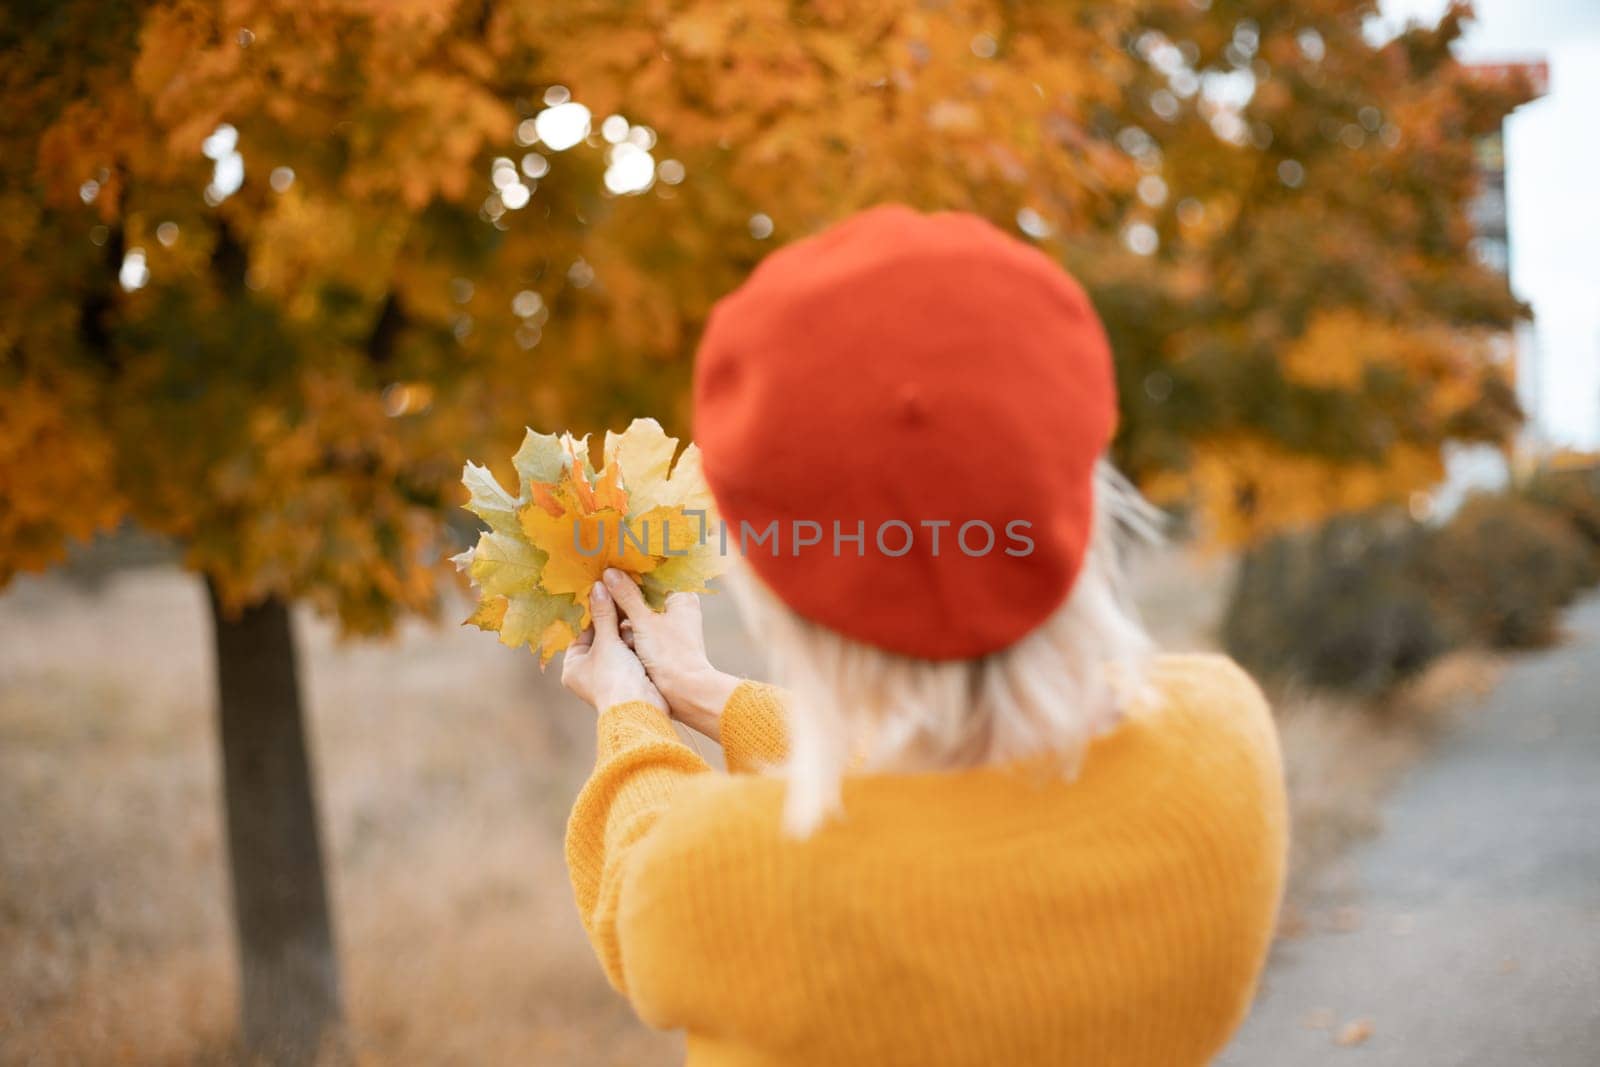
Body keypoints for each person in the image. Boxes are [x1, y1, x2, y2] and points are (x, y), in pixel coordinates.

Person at [559, 205, 1287, 1066]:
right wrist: (709, 695)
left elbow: (641, 875)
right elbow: (947, 800)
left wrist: (631, 712)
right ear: (1081, 486)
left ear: (774, 576)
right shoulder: (1222, 744)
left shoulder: (731, 885)